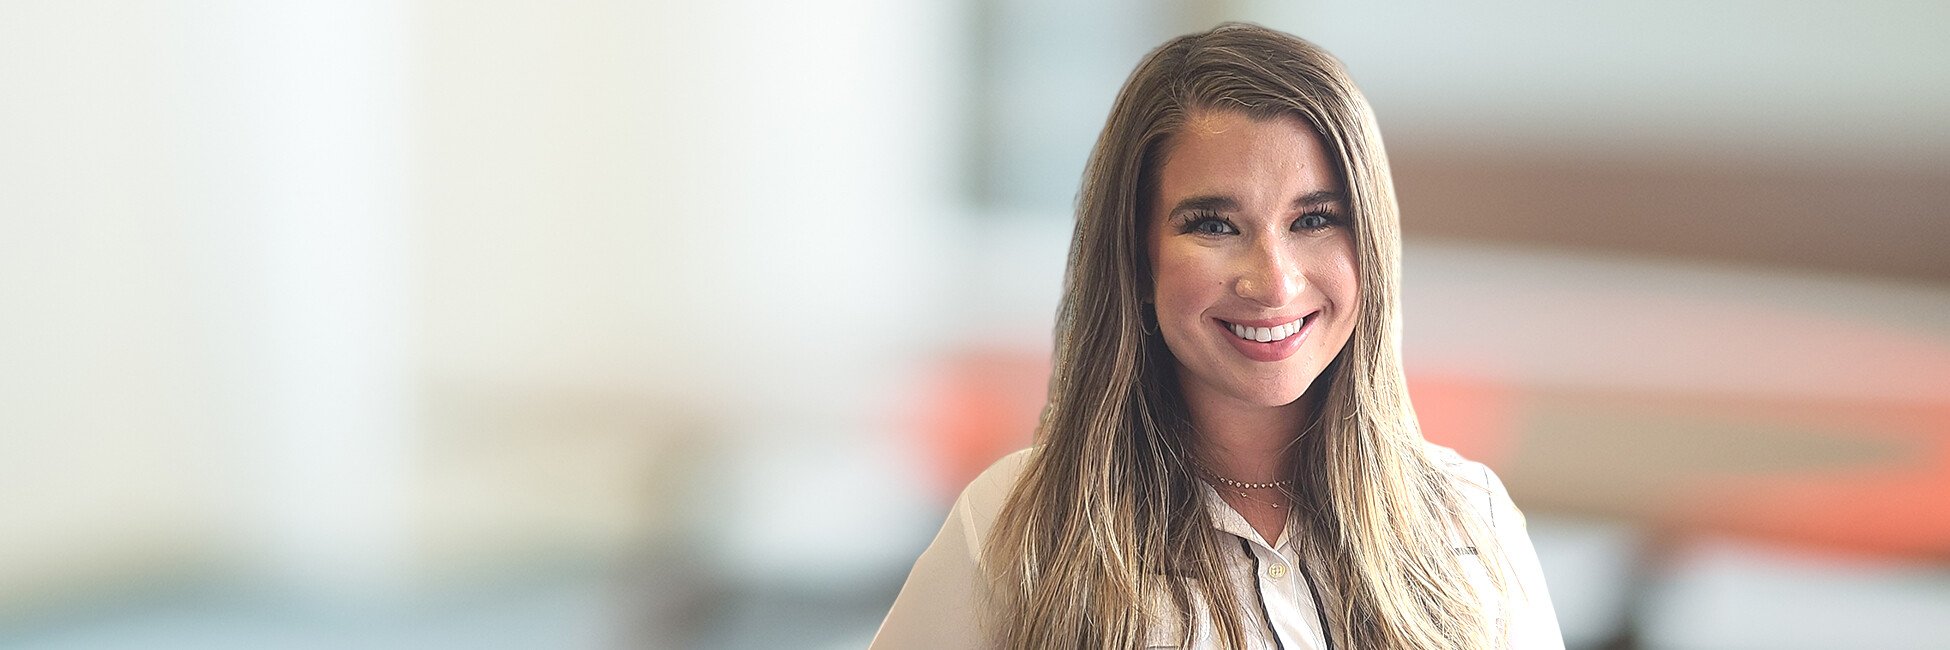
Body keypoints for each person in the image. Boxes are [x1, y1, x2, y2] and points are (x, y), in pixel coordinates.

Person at [873, 23, 1562, 649]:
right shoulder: (1012, 530)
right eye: (1213, 225)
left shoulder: (1471, 523)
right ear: (1137, 259)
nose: (1274, 282)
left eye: (1314, 219)